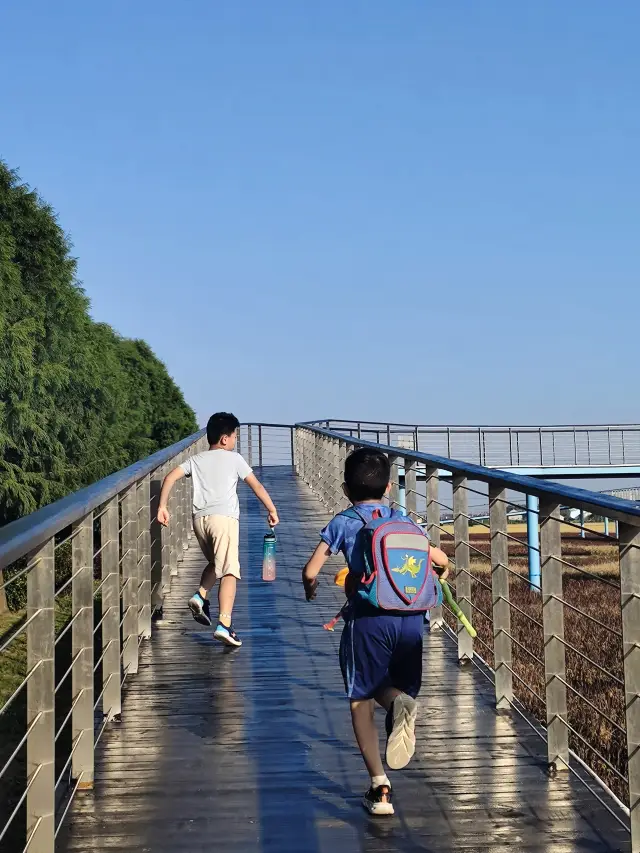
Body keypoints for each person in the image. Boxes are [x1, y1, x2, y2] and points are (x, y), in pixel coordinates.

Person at [301, 448, 448, 816]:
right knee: (389, 685)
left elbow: (310, 569)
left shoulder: (344, 520)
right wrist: (439, 575)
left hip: (368, 619)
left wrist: (310, 588)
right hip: (412, 620)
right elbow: (441, 561)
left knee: (360, 697)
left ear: (346, 488)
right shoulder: (403, 518)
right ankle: (400, 701)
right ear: (387, 487)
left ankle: (379, 787)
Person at [157, 412, 279, 647]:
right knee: (230, 570)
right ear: (225, 439)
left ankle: (200, 595)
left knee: (216, 563)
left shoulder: (196, 459)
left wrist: (163, 506)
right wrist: (272, 510)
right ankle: (225, 624)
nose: (235, 441)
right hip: (224, 520)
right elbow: (256, 485)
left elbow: (170, 477)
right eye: (234, 436)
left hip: (200, 520)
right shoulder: (234, 459)